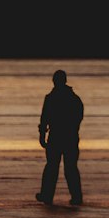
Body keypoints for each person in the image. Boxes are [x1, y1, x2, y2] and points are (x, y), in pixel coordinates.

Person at [38, 70, 84, 207]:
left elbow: (44, 118)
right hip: (69, 137)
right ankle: (76, 197)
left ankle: (47, 195)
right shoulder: (74, 99)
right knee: (69, 167)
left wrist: (42, 135)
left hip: (57, 137)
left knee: (53, 166)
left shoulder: (51, 98)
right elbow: (78, 117)